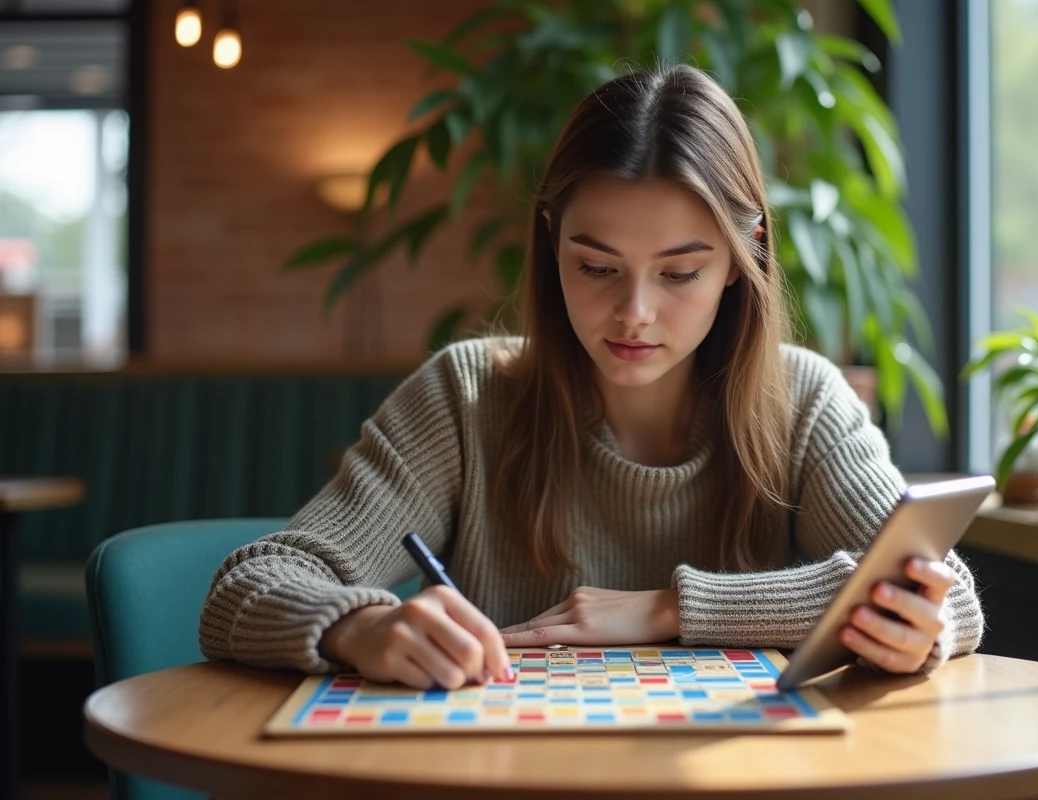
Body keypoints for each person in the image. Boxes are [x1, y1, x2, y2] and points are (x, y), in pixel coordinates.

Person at [199, 65, 983, 690]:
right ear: (551, 240)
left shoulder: (805, 401)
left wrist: (672, 609)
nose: (633, 313)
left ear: (743, 261)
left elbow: (946, 591)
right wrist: (362, 625)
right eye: (597, 266)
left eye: (680, 273)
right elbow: (250, 585)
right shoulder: (466, 397)